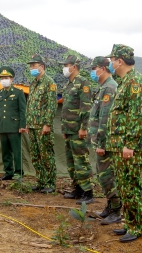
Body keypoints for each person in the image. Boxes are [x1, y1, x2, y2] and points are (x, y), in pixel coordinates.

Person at [105, 44, 142, 243]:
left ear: (120, 61)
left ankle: (137, 227)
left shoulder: (135, 83)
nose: (111, 64)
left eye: (112, 60)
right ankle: (130, 223)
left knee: (130, 186)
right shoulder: (125, 81)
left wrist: (129, 145)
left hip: (128, 145)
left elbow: (137, 117)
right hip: (120, 144)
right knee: (124, 186)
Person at [87, 56, 121, 225]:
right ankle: (110, 206)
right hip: (101, 141)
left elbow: (106, 119)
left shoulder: (109, 88)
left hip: (106, 143)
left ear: (102, 68)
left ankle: (117, 209)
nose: (93, 72)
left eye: (94, 68)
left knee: (107, 177)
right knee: (102, 175)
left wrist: (101, 143)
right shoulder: (103, 87)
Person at [59, 55, 93, 204]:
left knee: (81, 162)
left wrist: (83, 128)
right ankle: (77, 189)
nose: (64, 68)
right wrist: (64, 129)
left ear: (74, 66)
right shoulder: (68, 85)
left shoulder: (83, 83)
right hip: (69, 129)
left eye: (66, 65)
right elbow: (65, 109)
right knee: (71, 162)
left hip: (78, 130)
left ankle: (88, 192)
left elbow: (86, 107)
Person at [25, 54, 57, 193]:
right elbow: (30, 105)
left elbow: (51, 105)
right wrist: (27, 122)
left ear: (42, 67)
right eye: (30, 66)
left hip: (42, 126)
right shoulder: (33, 84)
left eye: (34, 66)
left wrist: (47, 124)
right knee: (36, 156)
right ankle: (41, 181)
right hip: (32, 125)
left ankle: (50, 183)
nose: (31, 68)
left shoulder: (49, 83)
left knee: (46, 155)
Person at [0, 66, 27, 181]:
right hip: (3, 127)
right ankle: (8, 172)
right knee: (5, 152)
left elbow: (23, 110)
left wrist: (22, 125)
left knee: (17, 152)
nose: (4, 79)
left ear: (11, 79)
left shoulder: (18, 92)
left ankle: (18, 173)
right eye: (2, 77)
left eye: (6, 77)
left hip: (14, 127)